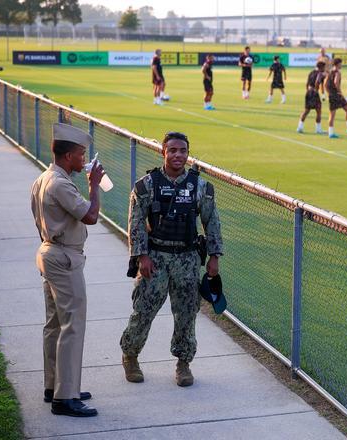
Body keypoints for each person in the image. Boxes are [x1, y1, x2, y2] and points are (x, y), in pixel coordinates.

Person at [120, 131, 223, 388]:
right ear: (163, 152)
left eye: (183, 151)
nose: (178, 155)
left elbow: (212, 222)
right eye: (173, 150)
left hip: (187, 259)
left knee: (187, 313)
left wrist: (214, 257)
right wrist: (141, 255)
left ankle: (183, 363)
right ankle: (130, 356)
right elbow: (135, 223)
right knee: (143, 310)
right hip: (155, 257)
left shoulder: (200, 187)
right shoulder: (147, 185)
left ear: (188, 154)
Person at [31, 123, 105, 417]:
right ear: (67, 156)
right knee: (72, 325)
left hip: (49, 251)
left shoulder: (43, 178)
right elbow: (90, 216)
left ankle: (56, 386)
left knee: (54, 324)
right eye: (81, 153)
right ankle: (66, 397)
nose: (84, 158)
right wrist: (94, 186)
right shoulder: (61, 183)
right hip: (64, 258)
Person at [325, 58, 347, 138]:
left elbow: (325, 83)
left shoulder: (330, 72)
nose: (341, 65)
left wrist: (329, 93)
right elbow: (336, 83)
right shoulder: (338, 73)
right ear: (338, 64)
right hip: (337, 95)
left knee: (332, 114)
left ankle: (330, 133)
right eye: (341, 63)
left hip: (331, 95)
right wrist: (340, 93)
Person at [297, 61, 326, 134]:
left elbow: (307, 83)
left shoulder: (311, 72)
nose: (324, 69)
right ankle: (318, 129)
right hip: (314, 92)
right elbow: (317, 82)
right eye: (324, 67)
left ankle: (300, 127)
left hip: (308, 92)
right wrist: (317, 91)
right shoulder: (320, 74)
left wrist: (308, 91)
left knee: (306, 111)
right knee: (318, 111)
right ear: (321, 67)